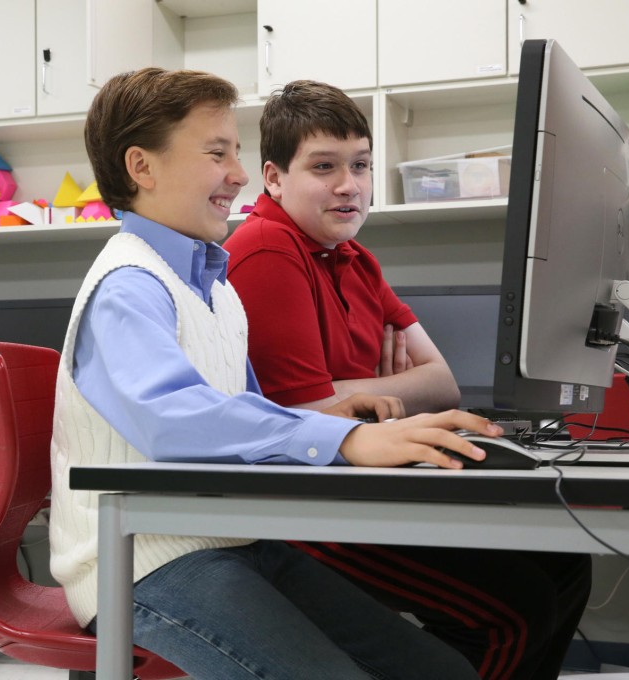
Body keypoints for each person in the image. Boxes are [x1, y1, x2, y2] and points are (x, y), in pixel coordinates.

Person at [48, 66, 500, 680]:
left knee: (441, 671)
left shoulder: (214, 287)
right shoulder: (129, 285)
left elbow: (247, 415)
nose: (238, 173)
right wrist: (344, 438)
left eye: (236, 152)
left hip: (233, 540)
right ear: (142, 168)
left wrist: (336, 418)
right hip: (143, 560)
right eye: (216, 153)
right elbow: (173, 419)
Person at [223, 79, 592, 680]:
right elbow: (314, 413)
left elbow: (441, 381)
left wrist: (362, 391)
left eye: (361, 165)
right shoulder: (266, 249)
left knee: (565, 562)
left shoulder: (354, 257)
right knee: (512, 610)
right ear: (273, 177)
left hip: (360, 489)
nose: (349, 185)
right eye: (324, 167)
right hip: (302, 511)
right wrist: (359, 390)